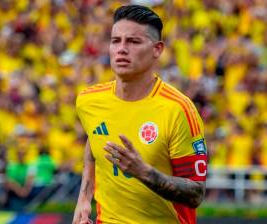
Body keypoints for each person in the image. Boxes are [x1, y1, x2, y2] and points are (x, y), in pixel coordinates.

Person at [73, 5, 207, 224]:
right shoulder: (89, 101)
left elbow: (196, 193)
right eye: (116, 41)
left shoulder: (178, 109)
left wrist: (143, 171)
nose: (122, 49)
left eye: (133, 42)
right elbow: (94, 139)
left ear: (157, 49)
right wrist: (84, 197)